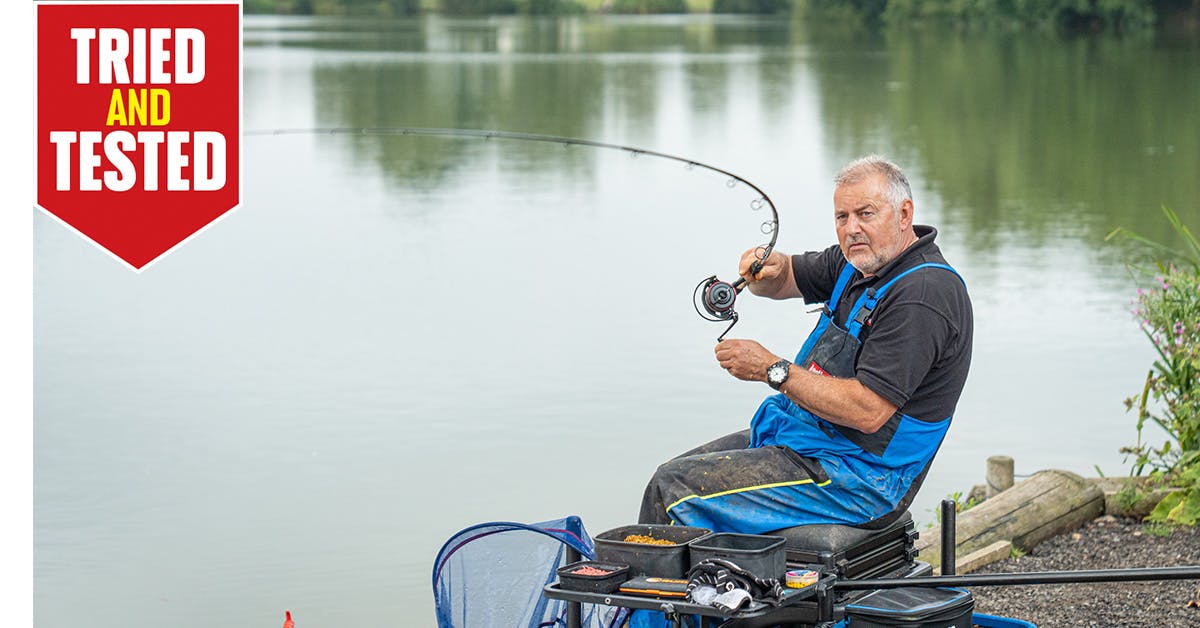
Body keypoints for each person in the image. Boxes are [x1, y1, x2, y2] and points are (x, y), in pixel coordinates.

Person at [638, 155, 973, 533]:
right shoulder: (857, 263)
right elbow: (783, 280)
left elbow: (868, 411)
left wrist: (771, 369)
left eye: (866, 214)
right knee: (666, 477)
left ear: (904, 214)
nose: (852, 229)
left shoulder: (922, 295)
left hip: (861, 480)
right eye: (842, 217)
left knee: (674, 490)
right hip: (812, 439)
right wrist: (768, 269)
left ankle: (678, 592)